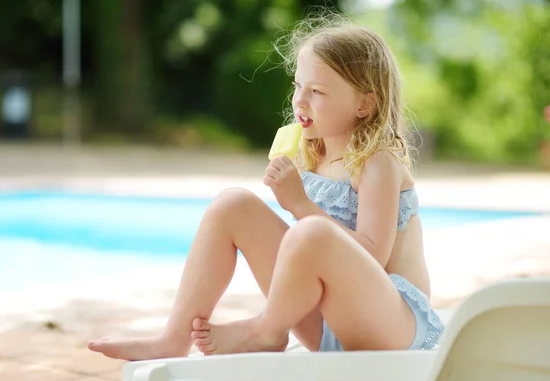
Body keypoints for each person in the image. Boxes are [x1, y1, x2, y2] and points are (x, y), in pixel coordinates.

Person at [88, 12, 444, 361]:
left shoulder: (377, 162)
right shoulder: (311, 156)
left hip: (393, 324)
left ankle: (266, 330)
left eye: (317, 91)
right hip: (326, 325)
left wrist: (301, 205)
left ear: (365, 103)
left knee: (309, 233)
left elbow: (373, 257)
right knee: (233, 204)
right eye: (297, 86)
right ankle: (173, 339)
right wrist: (296, 201)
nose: (300, 101)